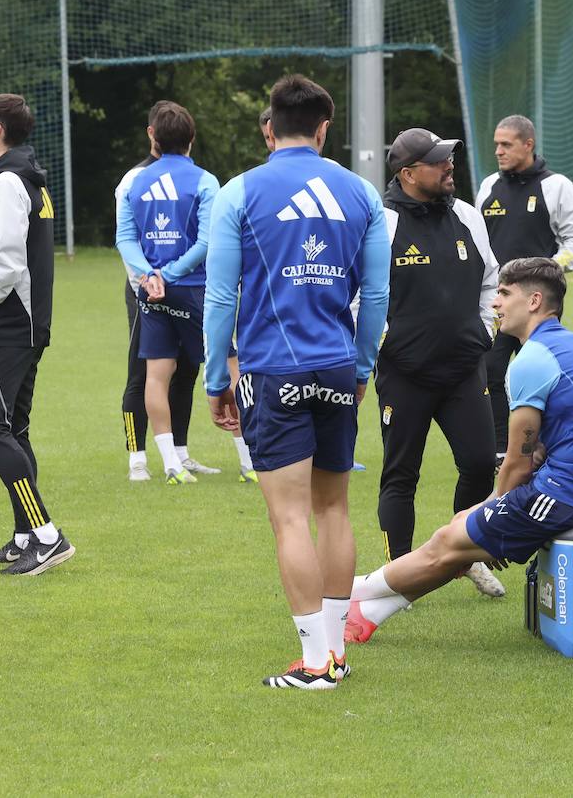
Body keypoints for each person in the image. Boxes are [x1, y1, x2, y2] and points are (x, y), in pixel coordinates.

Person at [343, 258, 573, 644]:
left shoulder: (533, 359)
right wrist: (492, 513)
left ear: (534, 301)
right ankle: (368, 614)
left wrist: (495, 508)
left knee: (450, 542)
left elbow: (516, 463)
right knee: (463, 530)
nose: (495, 303)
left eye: (504, 293)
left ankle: (349, 592)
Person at [204, 75, 389, 689]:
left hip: (270, 370)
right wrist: (361, 368)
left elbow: (219, 297)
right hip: (336, 366)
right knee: (333, 507)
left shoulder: (239, 193)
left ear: (269, 126)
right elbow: (379, 295)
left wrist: (214, 377)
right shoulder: (361, 193)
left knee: (289, 519)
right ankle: (335, 651)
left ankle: (315, 664)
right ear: (323, 126)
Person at [373, 127, 504, 599]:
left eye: (448, 158)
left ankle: (464, 556)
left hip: (463, 370)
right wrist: (388, 344)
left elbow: (492, 280)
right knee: (401, 474)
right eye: (437, 162)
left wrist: (483, 332)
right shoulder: (381, 222)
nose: (449, 167)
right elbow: (356, 297)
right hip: (403, 375)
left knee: (477, 464)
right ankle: (396, 577)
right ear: (408, 174)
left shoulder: (467, 215)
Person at [0, 93, 74, 576]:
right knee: (14, 430)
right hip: (27, 327)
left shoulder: (6, 182)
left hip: (5, 328)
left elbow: (6, 263)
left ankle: (47, 535)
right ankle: (23, 537)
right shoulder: (26, 178)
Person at [115, 101, 221, 484]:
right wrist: (152, 278)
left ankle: (178, 454)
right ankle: (137, 459)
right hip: (154, 289)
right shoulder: (133, 181)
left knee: (184, 372)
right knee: (141, 374)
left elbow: (126, 239)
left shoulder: (145, 182)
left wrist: (155, 276)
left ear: (153, 135)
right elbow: (131, 241)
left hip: (160, 284)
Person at [475, 115, 573, 461]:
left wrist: (549, 270)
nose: (498, 151)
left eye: (506, 144)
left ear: (528, 144)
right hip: (499, 302)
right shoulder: (489, 185)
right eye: (496, 144)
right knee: (491, 371)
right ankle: (500, 450)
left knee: (542, 373)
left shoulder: (556, 186)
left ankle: (546, 446)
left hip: (539, 305)